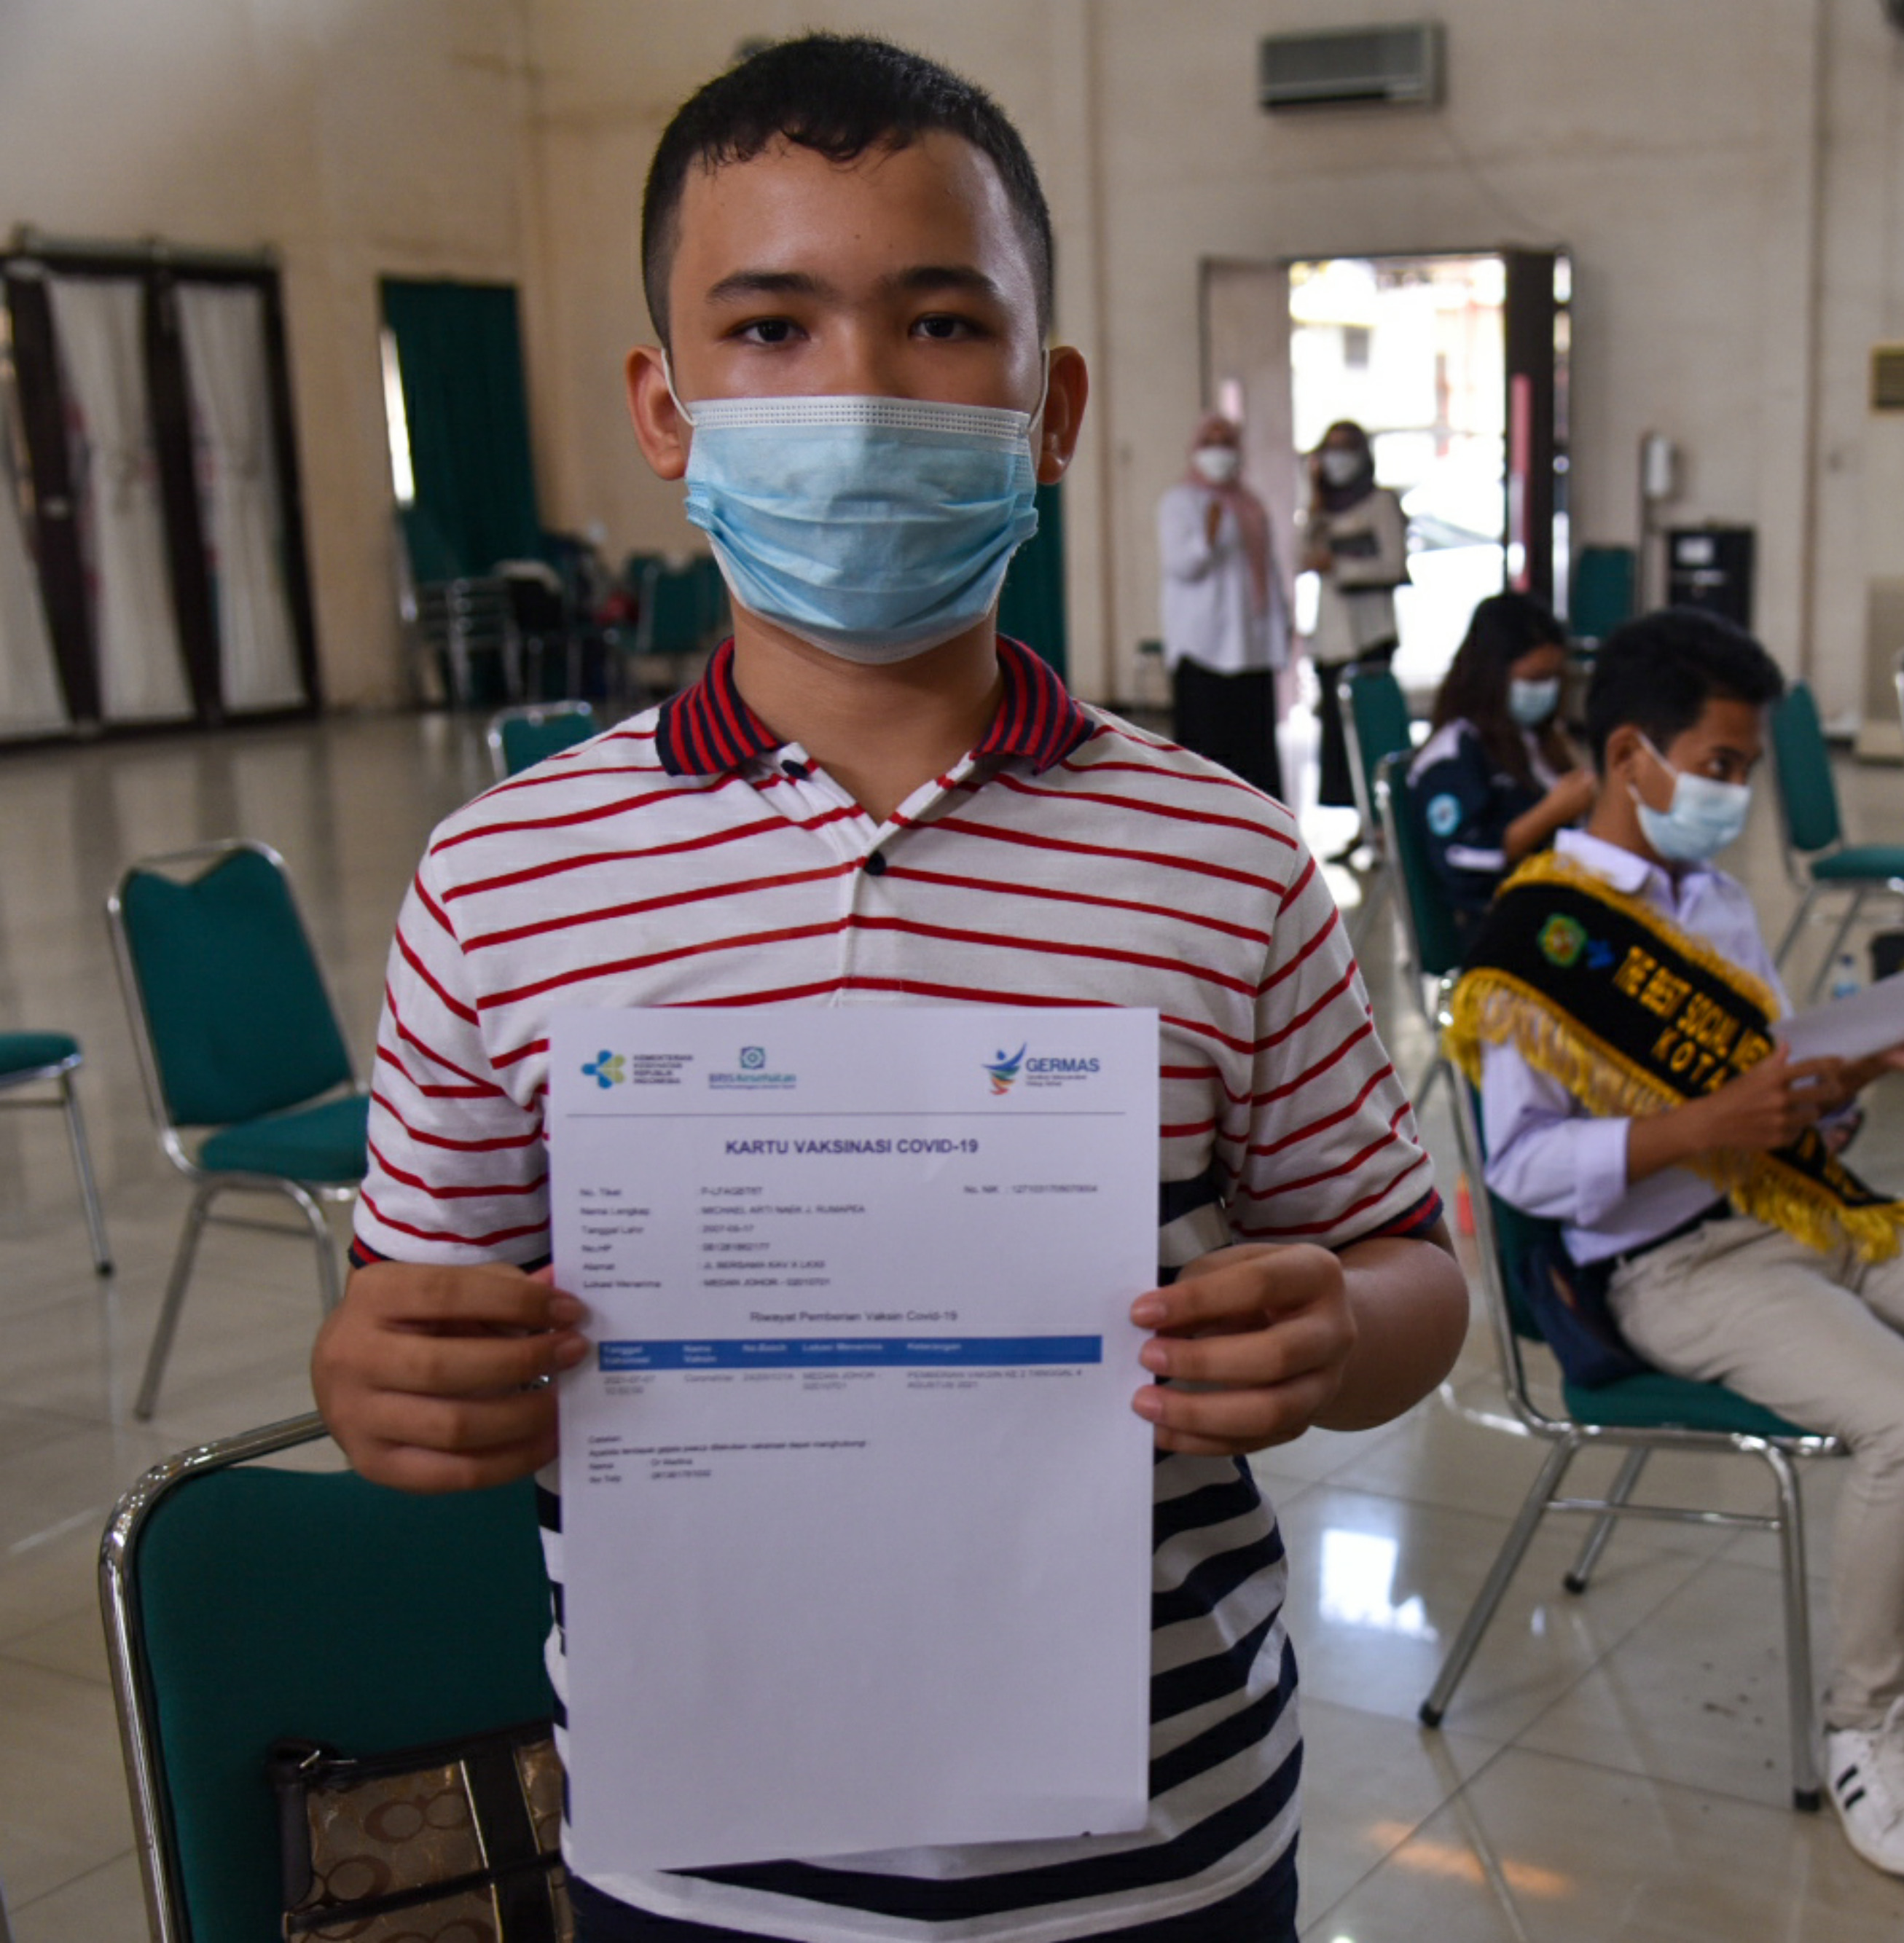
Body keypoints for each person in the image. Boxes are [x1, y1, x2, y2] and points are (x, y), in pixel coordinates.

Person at [305, 36, 1468, 1943]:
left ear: (1051, 401)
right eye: (768, 328)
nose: (850, 395)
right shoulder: (500, 876)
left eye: (939, 321)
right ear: (663, 408)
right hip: (699, 1861)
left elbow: (1412, 1269)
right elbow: (410, 1316)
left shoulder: (1222, 857)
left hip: (1161, 1853)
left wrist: (1342, 1328)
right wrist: (375, 1383)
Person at [1452, 607, 1904, 1884]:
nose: (1736, 792)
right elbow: (1519, 1167)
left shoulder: (1714, 901)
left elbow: (1778, 1085)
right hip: (1668, 1269)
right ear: (1630, 755)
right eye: (1720, 765)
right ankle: (1870, 1722)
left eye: (1746, 769)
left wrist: (1874, 1060)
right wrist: (1698, 1126)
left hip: (1809, 1208)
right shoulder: (1543, 935)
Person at [1406, 592, 1594, 938]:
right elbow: (1460, 858)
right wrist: (1553, 812)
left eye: (1554, 678)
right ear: (1492, 674)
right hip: (1502, 926)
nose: (1547, 691)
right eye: (1535, 679)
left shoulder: (1536, 739)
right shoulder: (1452, 756)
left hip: (1556, 905)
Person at [1156, 412, 1287, 797]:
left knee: (1254, 758)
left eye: (1226, 442)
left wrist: (1279, 632)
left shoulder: (1250, 505)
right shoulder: (1179, 502)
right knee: (1208, 756)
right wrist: (1207, 537)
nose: (1219, 452)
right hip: (1203, 649)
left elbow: (1270, 573)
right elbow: (1181, 566)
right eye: (1210, 443)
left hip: (1251, 648)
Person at [1299, 419, 1408, 822]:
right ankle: (1360, 818)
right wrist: (1312, 497)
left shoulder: (1380, 504)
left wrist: (1340, 565)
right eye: (1331, 448)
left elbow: (1394, 563)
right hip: (1332, 640)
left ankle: (1384, 819)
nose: (1337, 458)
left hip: (1370, 634)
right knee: (1340, 739)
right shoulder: (1320, 508)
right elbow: (1300, 555)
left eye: (1347, 447)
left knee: (1373, 733)